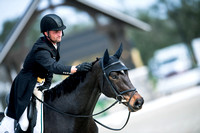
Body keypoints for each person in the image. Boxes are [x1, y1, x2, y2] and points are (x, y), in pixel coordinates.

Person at [0, 14, 92, 133]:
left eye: (61, 31)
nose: (60, 34)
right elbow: (53, 66)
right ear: (46, 33)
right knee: (24, 123)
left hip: (39, 85)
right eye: (56, 31)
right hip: (25, 87)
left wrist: (47, 83)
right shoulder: (41, 50)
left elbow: (48, 68)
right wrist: (76, 69)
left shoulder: (54, 43)